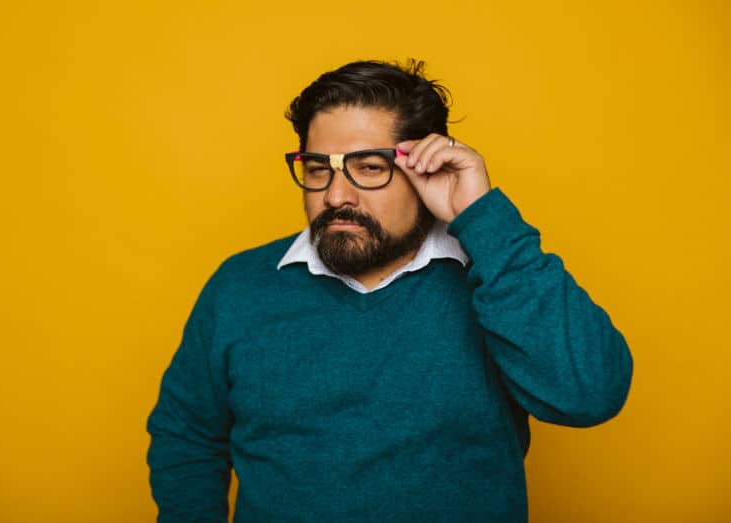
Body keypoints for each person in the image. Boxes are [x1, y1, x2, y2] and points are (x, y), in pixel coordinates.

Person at [146, 59, 633, 523]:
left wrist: (482, 218)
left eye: (370, 167)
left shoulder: (492, 276)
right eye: (318, 168)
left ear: (426, 166)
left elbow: (589, 395)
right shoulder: (241, 287)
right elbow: (187, 436)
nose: (336, 196)